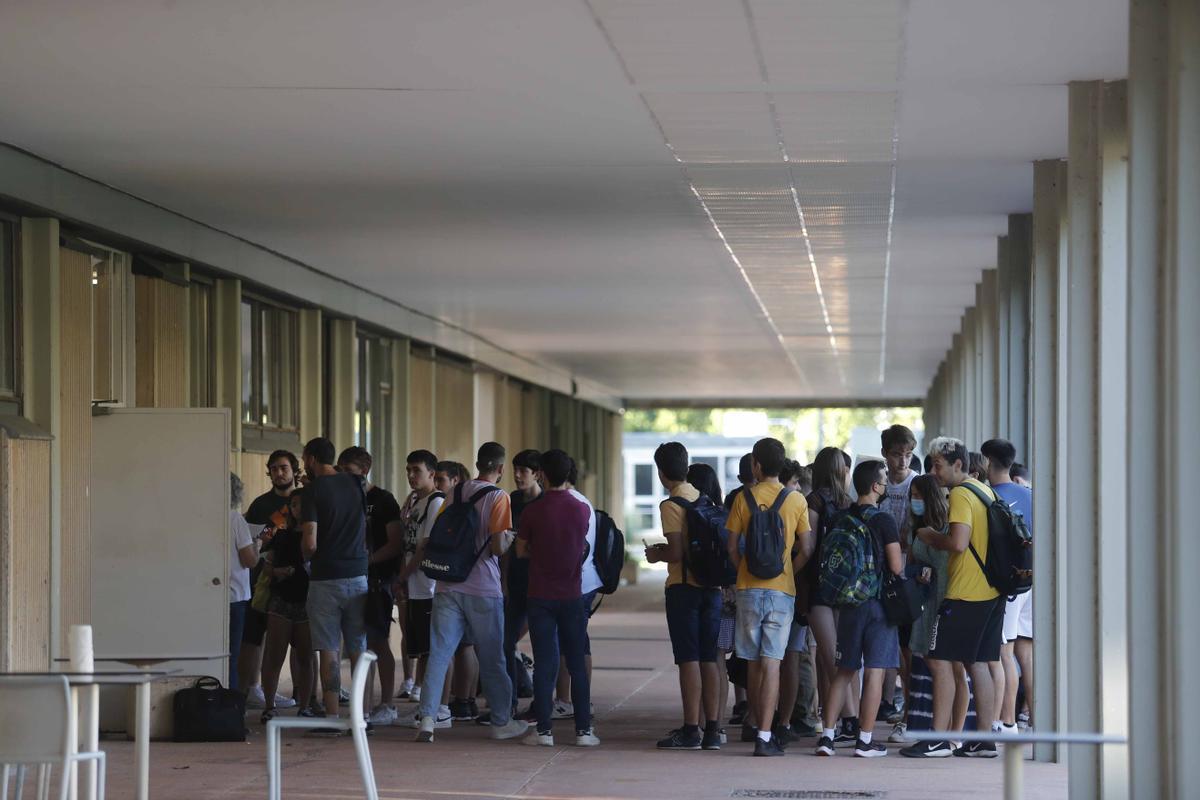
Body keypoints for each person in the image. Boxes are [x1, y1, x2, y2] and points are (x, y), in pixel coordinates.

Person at [412, 442, 529, 743]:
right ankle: (502, 722)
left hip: (448, 584)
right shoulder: (499, 497)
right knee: (492, 657)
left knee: (439, 653)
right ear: (501, 469)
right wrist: (512, 538)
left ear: (477, 464)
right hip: (483, 589)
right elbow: (497, 546)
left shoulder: (457, 491)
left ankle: (427, 718)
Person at [901, 437, 1004, 758]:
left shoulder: (960, 494)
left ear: (958, 464)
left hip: (965, 592)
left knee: (940, 662)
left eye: (938, 465)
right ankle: (984, 739)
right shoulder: (983, 490)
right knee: (978, 665)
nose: (934, 471)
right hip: (991, 590)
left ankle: (938, 738)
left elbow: (958, 543)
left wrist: (932, 536)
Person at [725, 437, 813, 757]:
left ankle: (752, 720)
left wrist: (743, 571)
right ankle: (765, 735)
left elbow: (732, 547)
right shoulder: (796, 500)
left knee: (751, 661)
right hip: (781, 591)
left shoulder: (742, 499)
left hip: (748, 589)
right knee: (773, 660)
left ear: (756, 466)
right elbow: (807, 547)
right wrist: (788, 568)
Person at [814, 460, 902, 758]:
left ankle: (827, 736)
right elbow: (896, 566)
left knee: (843, 671)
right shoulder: (884, 521)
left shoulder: (840, 517)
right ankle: (864, 740)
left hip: (848, 604)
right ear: (876, 487)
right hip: (878, 604)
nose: (887, 484)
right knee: (874, 672)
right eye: (885, 480)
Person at [516, 449, 598, 747]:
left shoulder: (532, 511)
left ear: (542, 474)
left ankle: (544, 732)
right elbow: (582, 546)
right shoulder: (582, 509)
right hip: (573, 595)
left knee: (545, 662)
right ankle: (584, 731)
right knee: (576, 661)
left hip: (540, 595)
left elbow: (520, 550)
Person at [646, 443, 723, 751]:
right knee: (709, 659)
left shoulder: (671, 504)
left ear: (662, 473)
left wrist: (656, 554)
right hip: (712, 589)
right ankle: (713, 731)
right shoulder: (704, 498)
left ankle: (691, 729)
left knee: (688, 659)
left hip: (683, 589)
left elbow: (677, 551)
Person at [299, 437, 370, 731]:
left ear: (312, 459)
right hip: (357, 574)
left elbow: (310, 542)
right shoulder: (356, 484)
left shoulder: (312, 492)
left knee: (329, 648)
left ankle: (331, 719)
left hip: (325, 577)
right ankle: (361, 716)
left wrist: (305, 557)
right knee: (358, 648)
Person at [891, 474, 967, 743]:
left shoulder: (949, 527)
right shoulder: (916, 529)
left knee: (953, 667)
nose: (914, 500)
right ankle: (940, 731)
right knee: (933, 664)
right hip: (926, 603)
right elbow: (908, 565)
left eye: (919, 495)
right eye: (913, 495)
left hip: (949, 601)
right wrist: (918, 571)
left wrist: (931, 538)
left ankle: (953, 734)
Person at [336, 446, 404, 726]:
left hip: (377, 580)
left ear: (364, 470)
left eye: (348, 472)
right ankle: (361, 705)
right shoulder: (341, 497)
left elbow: (396, 543)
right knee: (356, 642)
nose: (343, 477)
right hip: (349, 579)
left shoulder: (383, 499)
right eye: (340, 471)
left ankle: (386, 702)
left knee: (377, 641)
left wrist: (367, 563)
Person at [240, 450, 302, 709]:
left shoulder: (306, 500)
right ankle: (252, 688)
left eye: (284, 468)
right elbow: (253, 541)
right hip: (263, 579)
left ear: (295, 471)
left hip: (299, 581)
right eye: (274, 468)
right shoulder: (260, 505)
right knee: (254, 636)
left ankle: (303, 692)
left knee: (301, 641)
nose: (279, 473)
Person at [804, 446, 857, 744]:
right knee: (838, 657)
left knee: (830, 658)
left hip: (819, 588)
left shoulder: (814, 501)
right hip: (846, 588)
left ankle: (848, 720)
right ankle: (835, 720)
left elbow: (809, 547)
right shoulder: (848, 503)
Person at [980, 438, 1033, 733]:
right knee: (1026, 653)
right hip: (1033, 581)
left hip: (1009, 586)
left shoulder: (991, 498)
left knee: (1004, 652)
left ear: (988, 461)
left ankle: (1007, 721)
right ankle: (1035, 720)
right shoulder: (1030, 494)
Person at [551, 459, 603, 719]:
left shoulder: (566, 502)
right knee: (578, 641)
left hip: (575, 583)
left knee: (568, 642)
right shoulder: (582, 501)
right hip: (586, 580)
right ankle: (581, 700)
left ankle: (565, 700)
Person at [259, 488, 314, 723]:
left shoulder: (316, 536)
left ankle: (305, 704)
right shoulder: (281, 535)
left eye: (302, 504)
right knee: (274, 654)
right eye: (293, 504)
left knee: (306, 656)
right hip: (281, 599)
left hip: (307, 601)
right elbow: (267, 565)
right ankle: (269, 705)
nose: (297, 509)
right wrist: (278, 571)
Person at [396, 450, 445, 711]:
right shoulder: (416, 502)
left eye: (416, 470)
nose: (411, 475)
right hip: (414, 586)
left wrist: (403, 576)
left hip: (427, 585)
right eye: (408, 470)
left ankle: (429, 708)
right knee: (418, 644)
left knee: (429, 649)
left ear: (431, 473)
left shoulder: (436, 502)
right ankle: (424, 706)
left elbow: (424, 547)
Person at [688, 462, 733, 742]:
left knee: (700, 658)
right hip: (723, 595)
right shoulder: (722, 513)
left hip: (696, 589)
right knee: (718, 660)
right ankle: (717, 724)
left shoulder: (689, 512)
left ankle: (701, 722)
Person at [878, 425, 918, 726]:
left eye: (907, 455)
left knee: (908, 648)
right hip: (879, 576)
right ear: (885, 455)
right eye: (896, 455)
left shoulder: (919, 485)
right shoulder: (876, 485)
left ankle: (909, 712)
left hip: (908, 577)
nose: (902, 461)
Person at [503, 449, 542, 720]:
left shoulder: (546, 504)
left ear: (537, 474)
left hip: (541, 585)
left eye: (523, 471)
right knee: (505, 641)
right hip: (514, 583)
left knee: (543, 644)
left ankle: (542, 703)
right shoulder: (511, 501)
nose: (517, 476)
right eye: (515, 470)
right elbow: (505, 547)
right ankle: (509, 701)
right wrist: (503, 583)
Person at [228, 472, 260, 692]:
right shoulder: (235, 519)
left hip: (207, 594)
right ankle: (231, 706)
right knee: (232, 655)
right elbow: (249, 560)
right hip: (235, 595)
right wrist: (257, 545)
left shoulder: (198, 517)